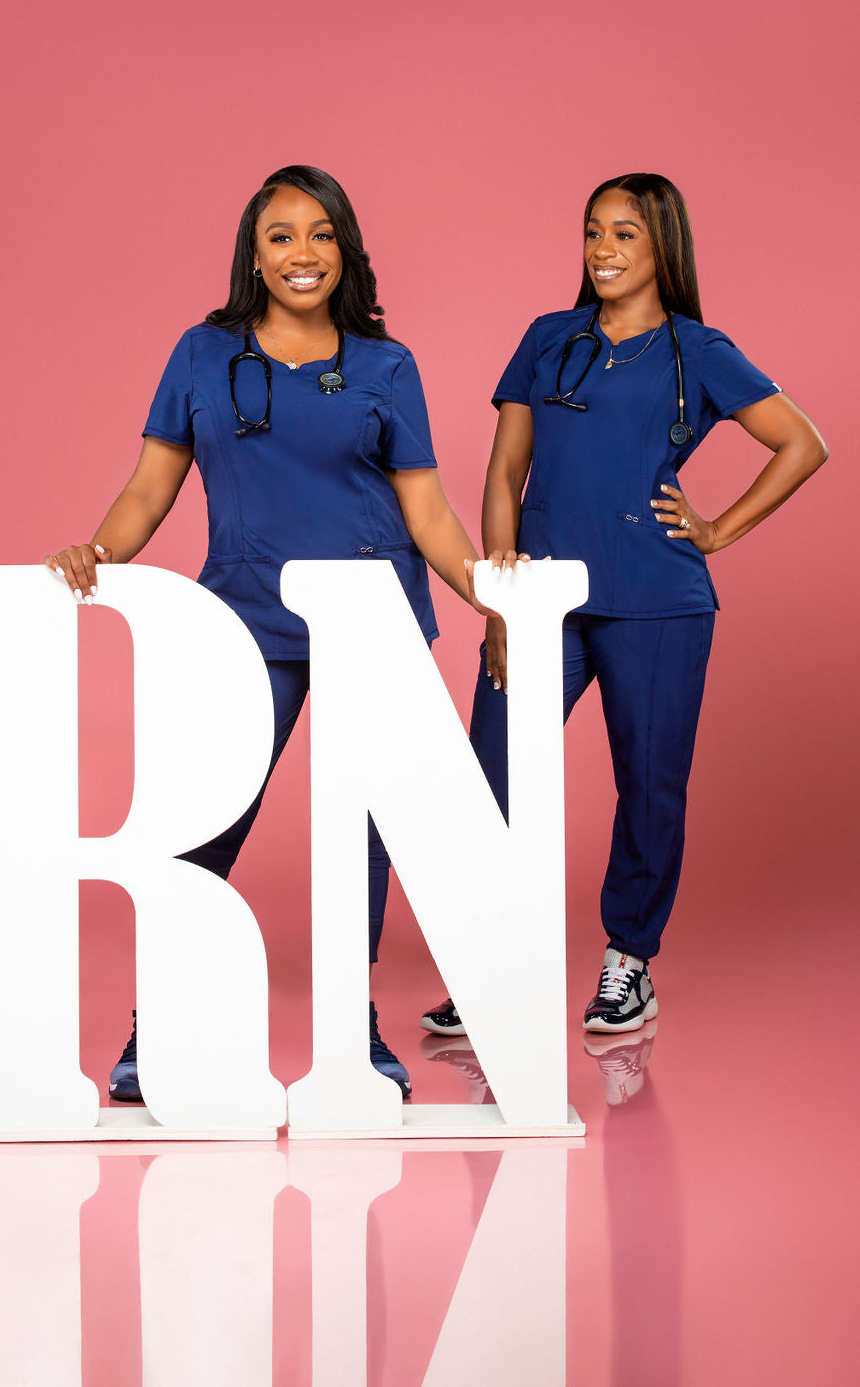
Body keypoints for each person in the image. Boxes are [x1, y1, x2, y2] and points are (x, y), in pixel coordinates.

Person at [48, 165, 487, 1100]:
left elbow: (428, 509)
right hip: (246, 614)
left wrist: (490, 593)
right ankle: (154, 1028)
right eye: (281, 235)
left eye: (321, 234)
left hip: (373, 618)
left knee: (365, 831)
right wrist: (97, 551)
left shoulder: (384, 364)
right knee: (206, 820)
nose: (302, 254)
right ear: (254, 252)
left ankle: (351, 1028)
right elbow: (150, 485)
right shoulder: (203, 354)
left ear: (346, 251)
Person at [420, 173, 827, 1038]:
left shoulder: (698, 351)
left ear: (661, 249)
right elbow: (503, 474)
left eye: (625, 236)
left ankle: (627, 964)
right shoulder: (548, 338)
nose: (603, 250)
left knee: (649, 784)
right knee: (488, 775)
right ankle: (489, 962)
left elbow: (804, 443)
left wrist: (717, 530)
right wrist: (500, 603)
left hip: (657, 600)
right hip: (542, 606)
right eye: (593, 233)